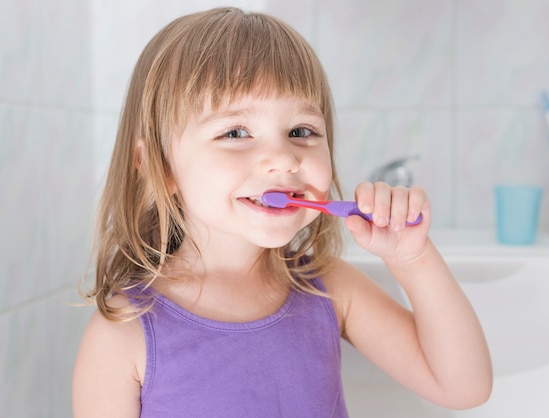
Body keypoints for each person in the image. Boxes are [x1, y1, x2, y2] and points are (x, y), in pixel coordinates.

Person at [72, 7, 492, 418]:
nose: (284, 158)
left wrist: (412, 258)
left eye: (301, 131)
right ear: (160, 167)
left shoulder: (330, 290)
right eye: (236, 132)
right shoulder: (122, 334)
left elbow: (463, 386)